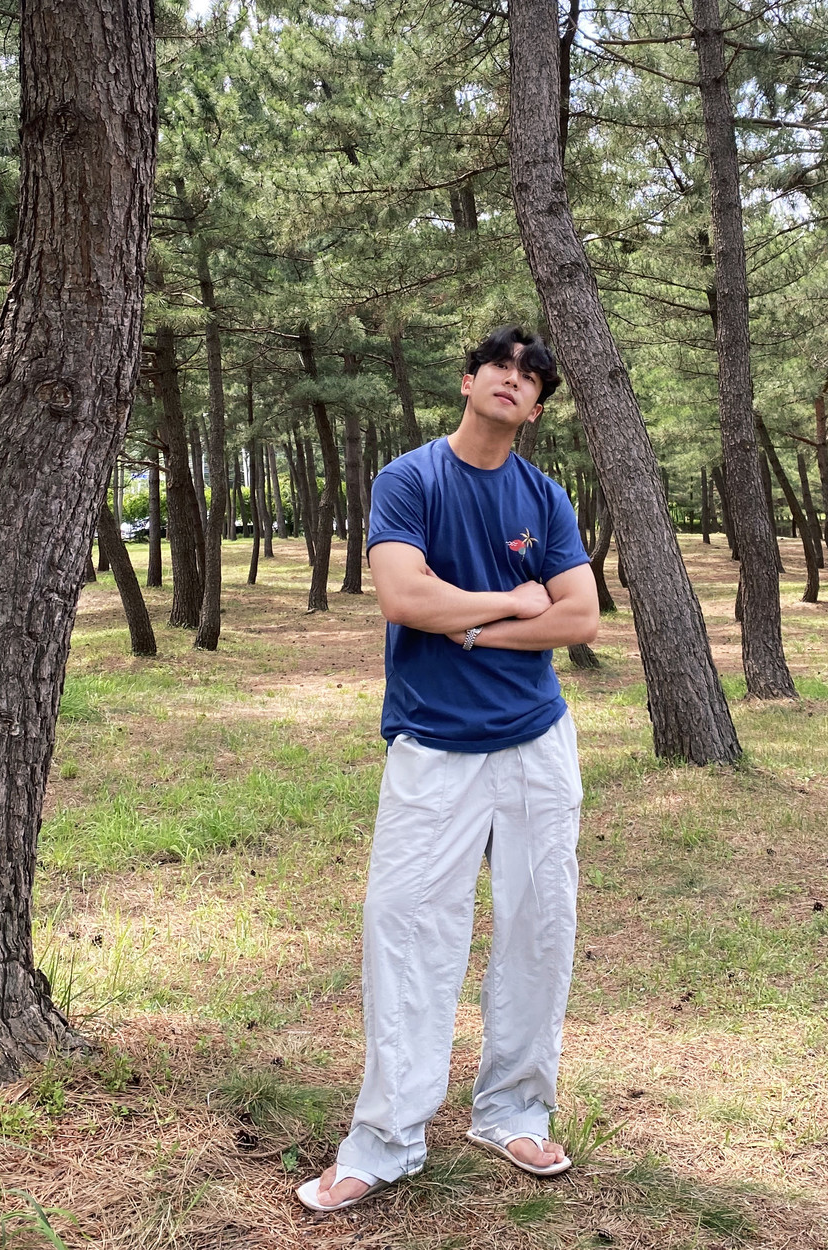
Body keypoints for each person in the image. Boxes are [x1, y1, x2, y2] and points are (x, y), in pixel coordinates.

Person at [296, 326, 599, 1213]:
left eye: (530, 376)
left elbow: (579, 616)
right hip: (433, 746)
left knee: (540, 926)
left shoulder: (545, 497)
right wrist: (509, 603)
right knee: (405, 931)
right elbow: (403, 595)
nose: (513, 379)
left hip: (537, 743)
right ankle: (386, 1140)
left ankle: (513, 1111)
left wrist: (467, 628)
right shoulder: (410, 479)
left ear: (535, 408)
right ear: (468, 381)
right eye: (499, 366)